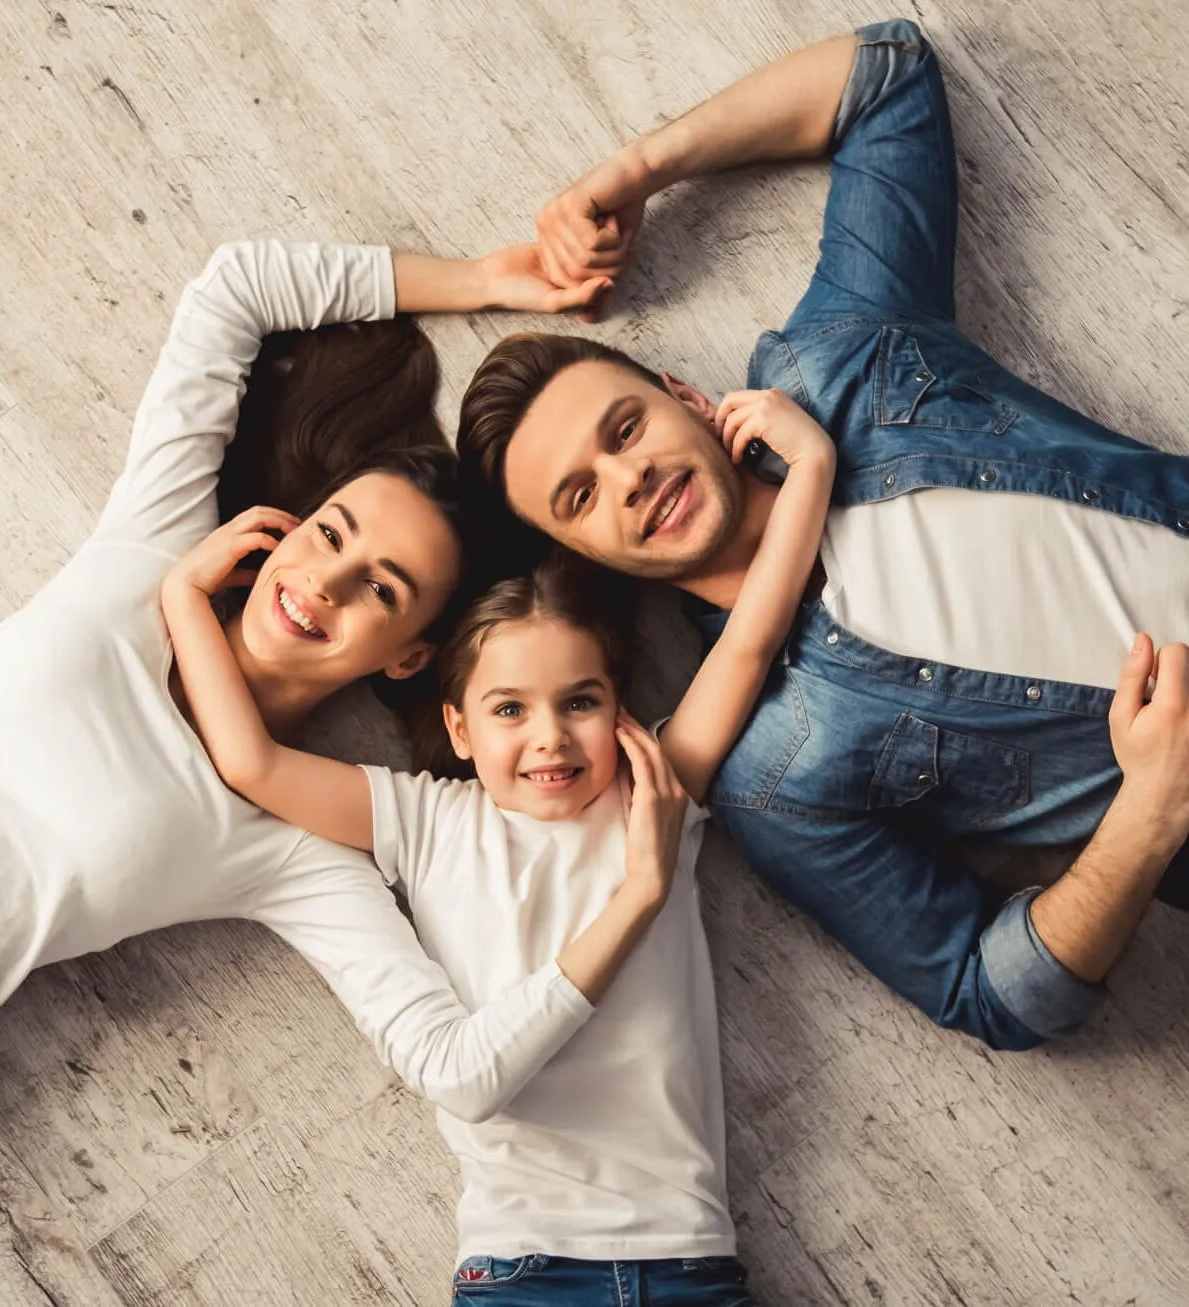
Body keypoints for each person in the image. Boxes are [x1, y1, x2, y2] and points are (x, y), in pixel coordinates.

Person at [455, 18, 1189, 1051]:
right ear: (581, 554)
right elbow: (989, 992)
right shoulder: (770, 768)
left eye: (624, 429)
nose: (631, 480)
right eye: (578, 498)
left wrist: (636, 169)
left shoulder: (842, 362)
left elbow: (887, 78)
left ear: (681, 395)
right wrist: (1150, 811)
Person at [0, 236, 644, 1100]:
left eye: (380, 589)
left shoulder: (291, 841)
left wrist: (640, 894)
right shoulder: (149, 548)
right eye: (328, 533)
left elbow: (457, 1070)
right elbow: (233, 289)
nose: (322, 584)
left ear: (410, 656)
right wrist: (481, 281)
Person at [155, 383, 834, 1302]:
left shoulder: (654, 789)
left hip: (690, 1263)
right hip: (522, 1271)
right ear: (461, 728)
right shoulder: (425, 819)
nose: (548, 737)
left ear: (619, 707)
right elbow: (251, 762)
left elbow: (751, 637)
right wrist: (182, 595)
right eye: (509, 709)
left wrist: (812, 467)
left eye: (580, 702)